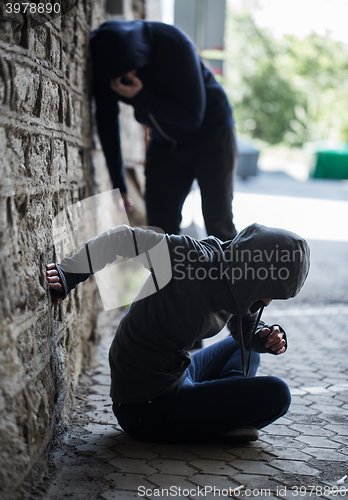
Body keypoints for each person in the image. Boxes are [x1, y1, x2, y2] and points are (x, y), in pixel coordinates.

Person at [46, 223, 310, 443]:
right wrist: (69, 274)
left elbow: (244, 330)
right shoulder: (189, 257)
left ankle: (217, 411)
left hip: (178, 375)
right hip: (145, 405)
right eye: (268, 292)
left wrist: (264, 337)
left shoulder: (237, 278)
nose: (266, 303)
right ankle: (217, 421)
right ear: (254, 275)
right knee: (277, 394)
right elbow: (121, 239)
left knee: (244, 352)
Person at [89, 20, 238, 241]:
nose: (128, 74)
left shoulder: (174, 44)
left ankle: (231, 275)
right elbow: (107, 122)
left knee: (218, 222)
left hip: (212, 134)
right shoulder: (108, 63)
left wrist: (141, 97)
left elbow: (192, 118)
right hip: (165, 143)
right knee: (158, 229)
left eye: (133, 68)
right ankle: (171, 276)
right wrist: (118, 184)